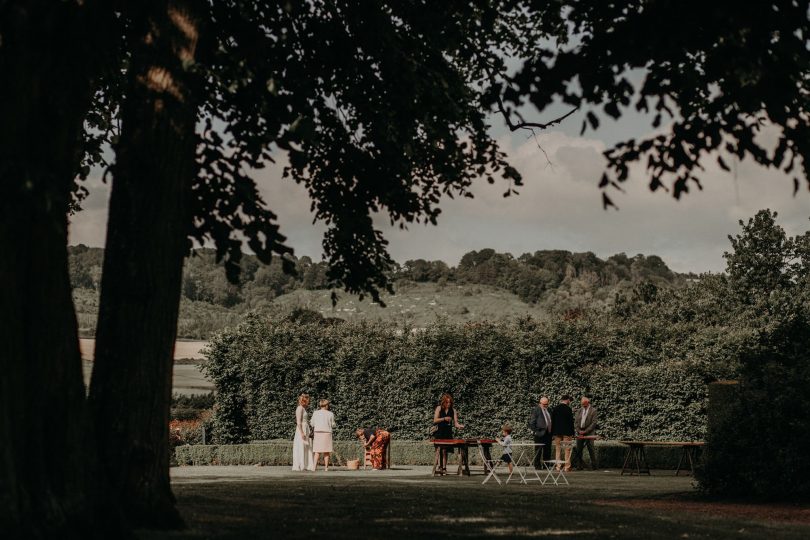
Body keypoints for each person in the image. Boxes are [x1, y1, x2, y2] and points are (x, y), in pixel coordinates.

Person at [432, 393, 465, 474]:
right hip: (439, 432)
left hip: (448, 432)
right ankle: (439, 467)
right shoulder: (439, 408)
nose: (448, 404)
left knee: (445, 451)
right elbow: (435, 420)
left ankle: (444, 467)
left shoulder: (453, 410)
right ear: (443, 402)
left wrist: (459, 426)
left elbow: (456, 423)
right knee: (438, 451)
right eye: (447, 402)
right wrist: (444, 418)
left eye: (450, 402)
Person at [572, 396, 598, 470]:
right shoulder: (579, 410)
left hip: (589, 432)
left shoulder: (593, 410)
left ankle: (594, 465)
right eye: (582, 404)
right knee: (579, 449)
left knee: (591, 449)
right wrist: (578, 430)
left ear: (588, 402)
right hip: (580, 431)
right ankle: (579, 465)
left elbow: (593, 423)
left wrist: (585, 431)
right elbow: (576, 422)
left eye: (585, 405)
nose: (583, 406)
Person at [550, 394, 575, 472]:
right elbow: (571, 422)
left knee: (558, 449)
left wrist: (553, 432)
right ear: (567, 400)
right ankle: (567, 467)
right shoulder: (568, 409)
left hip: (557, 433)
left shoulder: (555, 409)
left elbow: (552, 421)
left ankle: (558, 466)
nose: (569, 402)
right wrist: (572, 432)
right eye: (569, 400)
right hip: (567, 433)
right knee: (567, 449)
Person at [310, 398, 336, 471]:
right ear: (326, 405)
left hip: (318, 433)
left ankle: (314, 467)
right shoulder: (330, 413)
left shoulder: (315, 413)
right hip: (327, 433)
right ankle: (326, 468)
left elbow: (312, 423)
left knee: (317, 451)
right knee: (326, 451)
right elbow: (333, 424)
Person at [292, 393, 315, 471]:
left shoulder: (303, 408)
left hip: (306, 428)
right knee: (301, 446)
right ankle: (300, 465)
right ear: (304, 401)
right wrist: (302, 432)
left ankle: (306, 465)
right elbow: (298, 421)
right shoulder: (299, 408)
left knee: (307, 447)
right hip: (301, 429)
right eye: (308, 400)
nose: (309, 402)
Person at [528, 396, 552, 469]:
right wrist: (536, 431)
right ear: (540, 403)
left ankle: (546, 466)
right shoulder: (536, 410)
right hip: (539, 434)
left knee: (547, 451)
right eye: (544, 404)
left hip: (548, 433)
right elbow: (532, 423)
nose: (545, 406)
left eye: (547, 404)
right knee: (538, 451)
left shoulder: (549, 410)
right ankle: (537, 466)